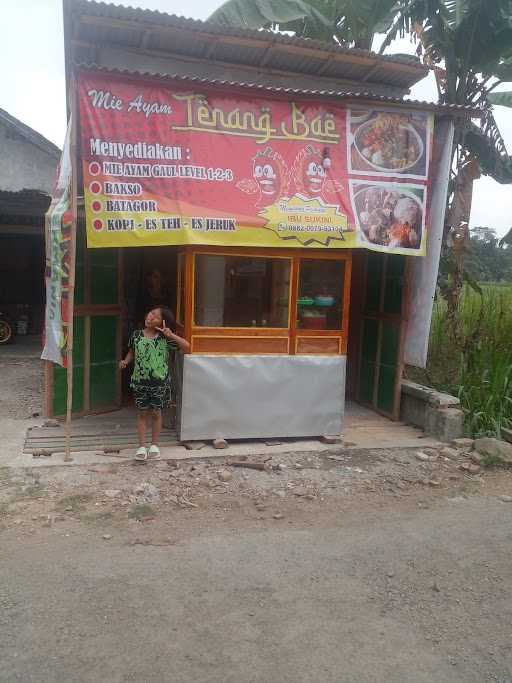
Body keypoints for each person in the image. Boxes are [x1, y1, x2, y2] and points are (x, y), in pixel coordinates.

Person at [119, 305, 190, 461]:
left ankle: (154, 445)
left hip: (159, 384)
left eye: (156, 316)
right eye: (151, 313)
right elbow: (131, 352)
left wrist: (171, 335)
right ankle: (141, 446)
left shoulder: (165, 339)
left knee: (157, 414)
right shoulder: (136, 335)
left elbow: (187, 348)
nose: (150, 317)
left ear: (162, 322)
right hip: (140, 382)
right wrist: (125, 361)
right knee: (142, 414)